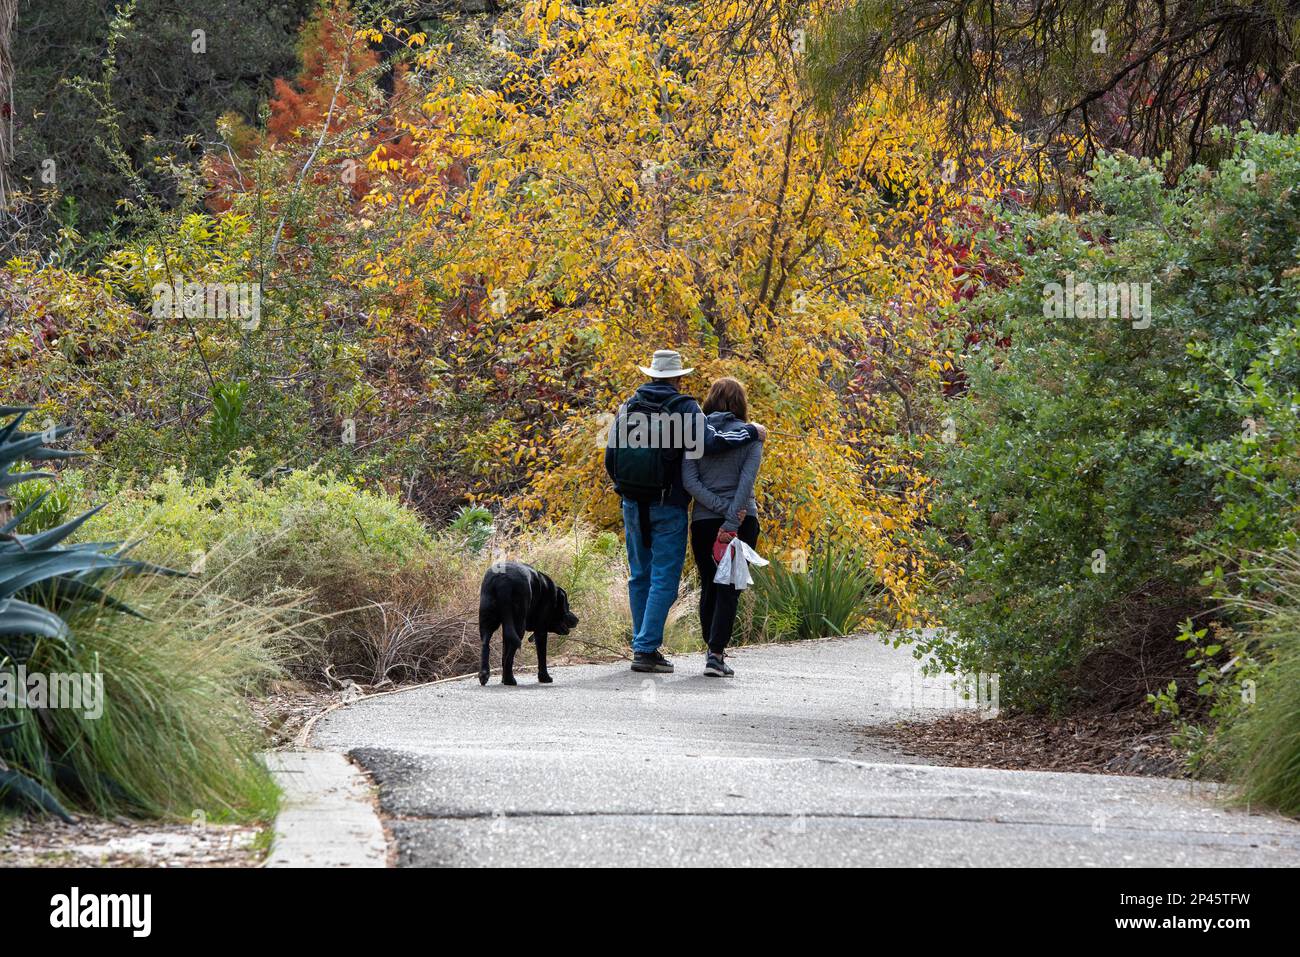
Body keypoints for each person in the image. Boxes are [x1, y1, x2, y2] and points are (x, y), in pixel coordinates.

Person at [605, 350, 765, 674]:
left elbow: (611, 457)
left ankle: (642, 644)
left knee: (640, 576)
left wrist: (627, 491)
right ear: (678, 378)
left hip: (633, 504)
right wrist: (750, 432)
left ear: (651, 374)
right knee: (664, 577)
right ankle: (646, 649)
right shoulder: (685, 408)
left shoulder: (629, 406)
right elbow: (709, 442)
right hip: (668, 506)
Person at [682, 377, 763, 677]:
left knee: (709, 583)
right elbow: (746, 483)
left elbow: (690, 482)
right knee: (729, 587)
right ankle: (716, 654)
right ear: (740, 404)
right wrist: (731, 519)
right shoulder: (752, 435)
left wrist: (717, 510)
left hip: (703, 521)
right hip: (742, 521)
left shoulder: (695, 435)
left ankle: (712, 649)